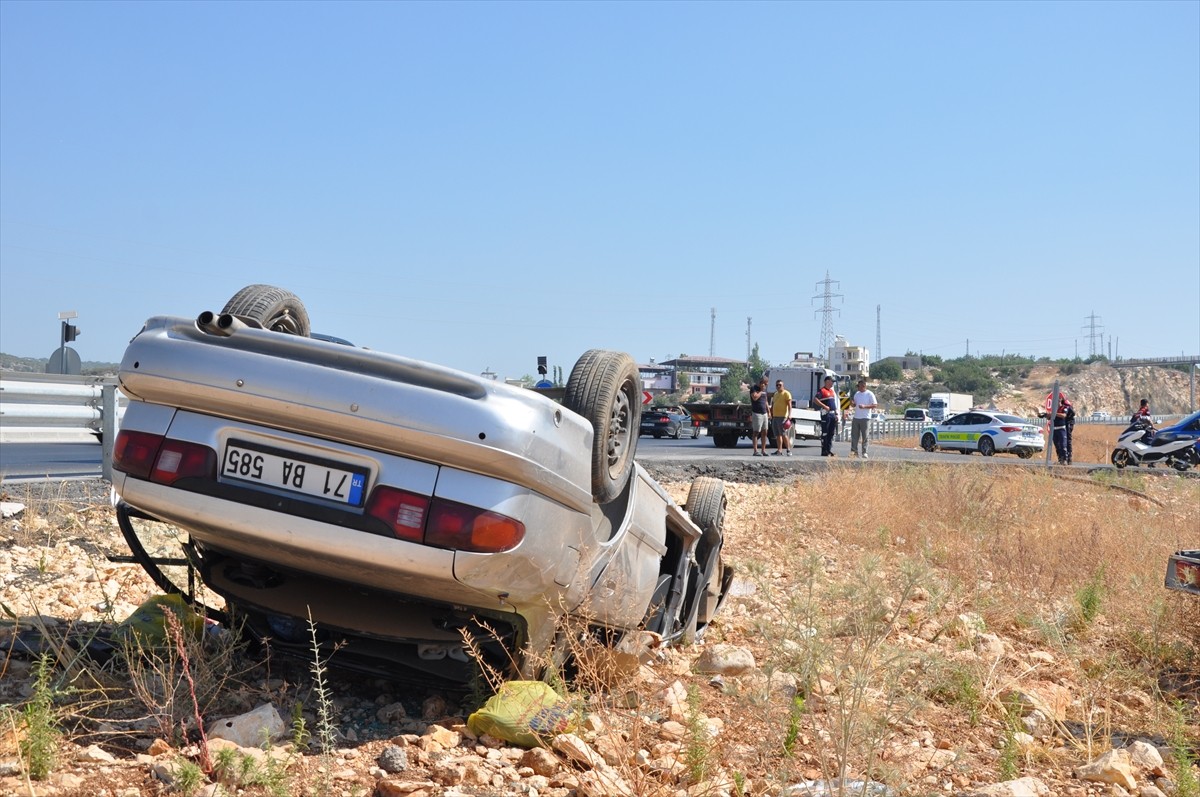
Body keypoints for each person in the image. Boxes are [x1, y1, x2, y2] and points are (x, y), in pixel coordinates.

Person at [811, 375, 839, 457]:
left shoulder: (831, 391)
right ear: (827, 381)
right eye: (831, 381)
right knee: (825, 433)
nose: (832, 383)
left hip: (832, 414)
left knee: (831, 433)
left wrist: (836, 414)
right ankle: (824, 450)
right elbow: (815, 399)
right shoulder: (822, 390)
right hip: (825, 414)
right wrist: (824, 406)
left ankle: (829, 449)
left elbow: (833, 403)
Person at [850, 379, 878, 459]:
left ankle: (864, 452)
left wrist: (865, 406)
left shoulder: (870, 394)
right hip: (856, 417)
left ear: (863, 386)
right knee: (854, 436)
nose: (857, 388)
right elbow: (854, 404)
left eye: (858, 386)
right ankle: (854, 452)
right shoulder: (857, 394)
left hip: (865, 418)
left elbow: (875, 405)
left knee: (865, 436)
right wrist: (852, 404)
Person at [770, 379, 794, 456]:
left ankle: (788, 450)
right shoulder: (776, 394)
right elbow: (773, 405)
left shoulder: (786, 393)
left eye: (780, 385)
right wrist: (771, 414)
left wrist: (790, 415)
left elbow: (790, 405)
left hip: (782, 417)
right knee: (777, 435)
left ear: (783, 386)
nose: (778, 386)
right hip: (775, 417)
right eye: (777, 385)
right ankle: (779, 450)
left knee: (783, 434)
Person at [749, 378, 770, 456]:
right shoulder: (754, 388)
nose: (766, 385)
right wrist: (761, 391)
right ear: (761, 383)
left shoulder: (765, 390)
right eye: (766, 383)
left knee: (765, 432)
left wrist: (769, 411)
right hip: (757, 413)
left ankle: (763, 450)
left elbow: (766, 401)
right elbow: (755, 398)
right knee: (756, 432)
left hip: (764, 413)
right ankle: (755, 451)